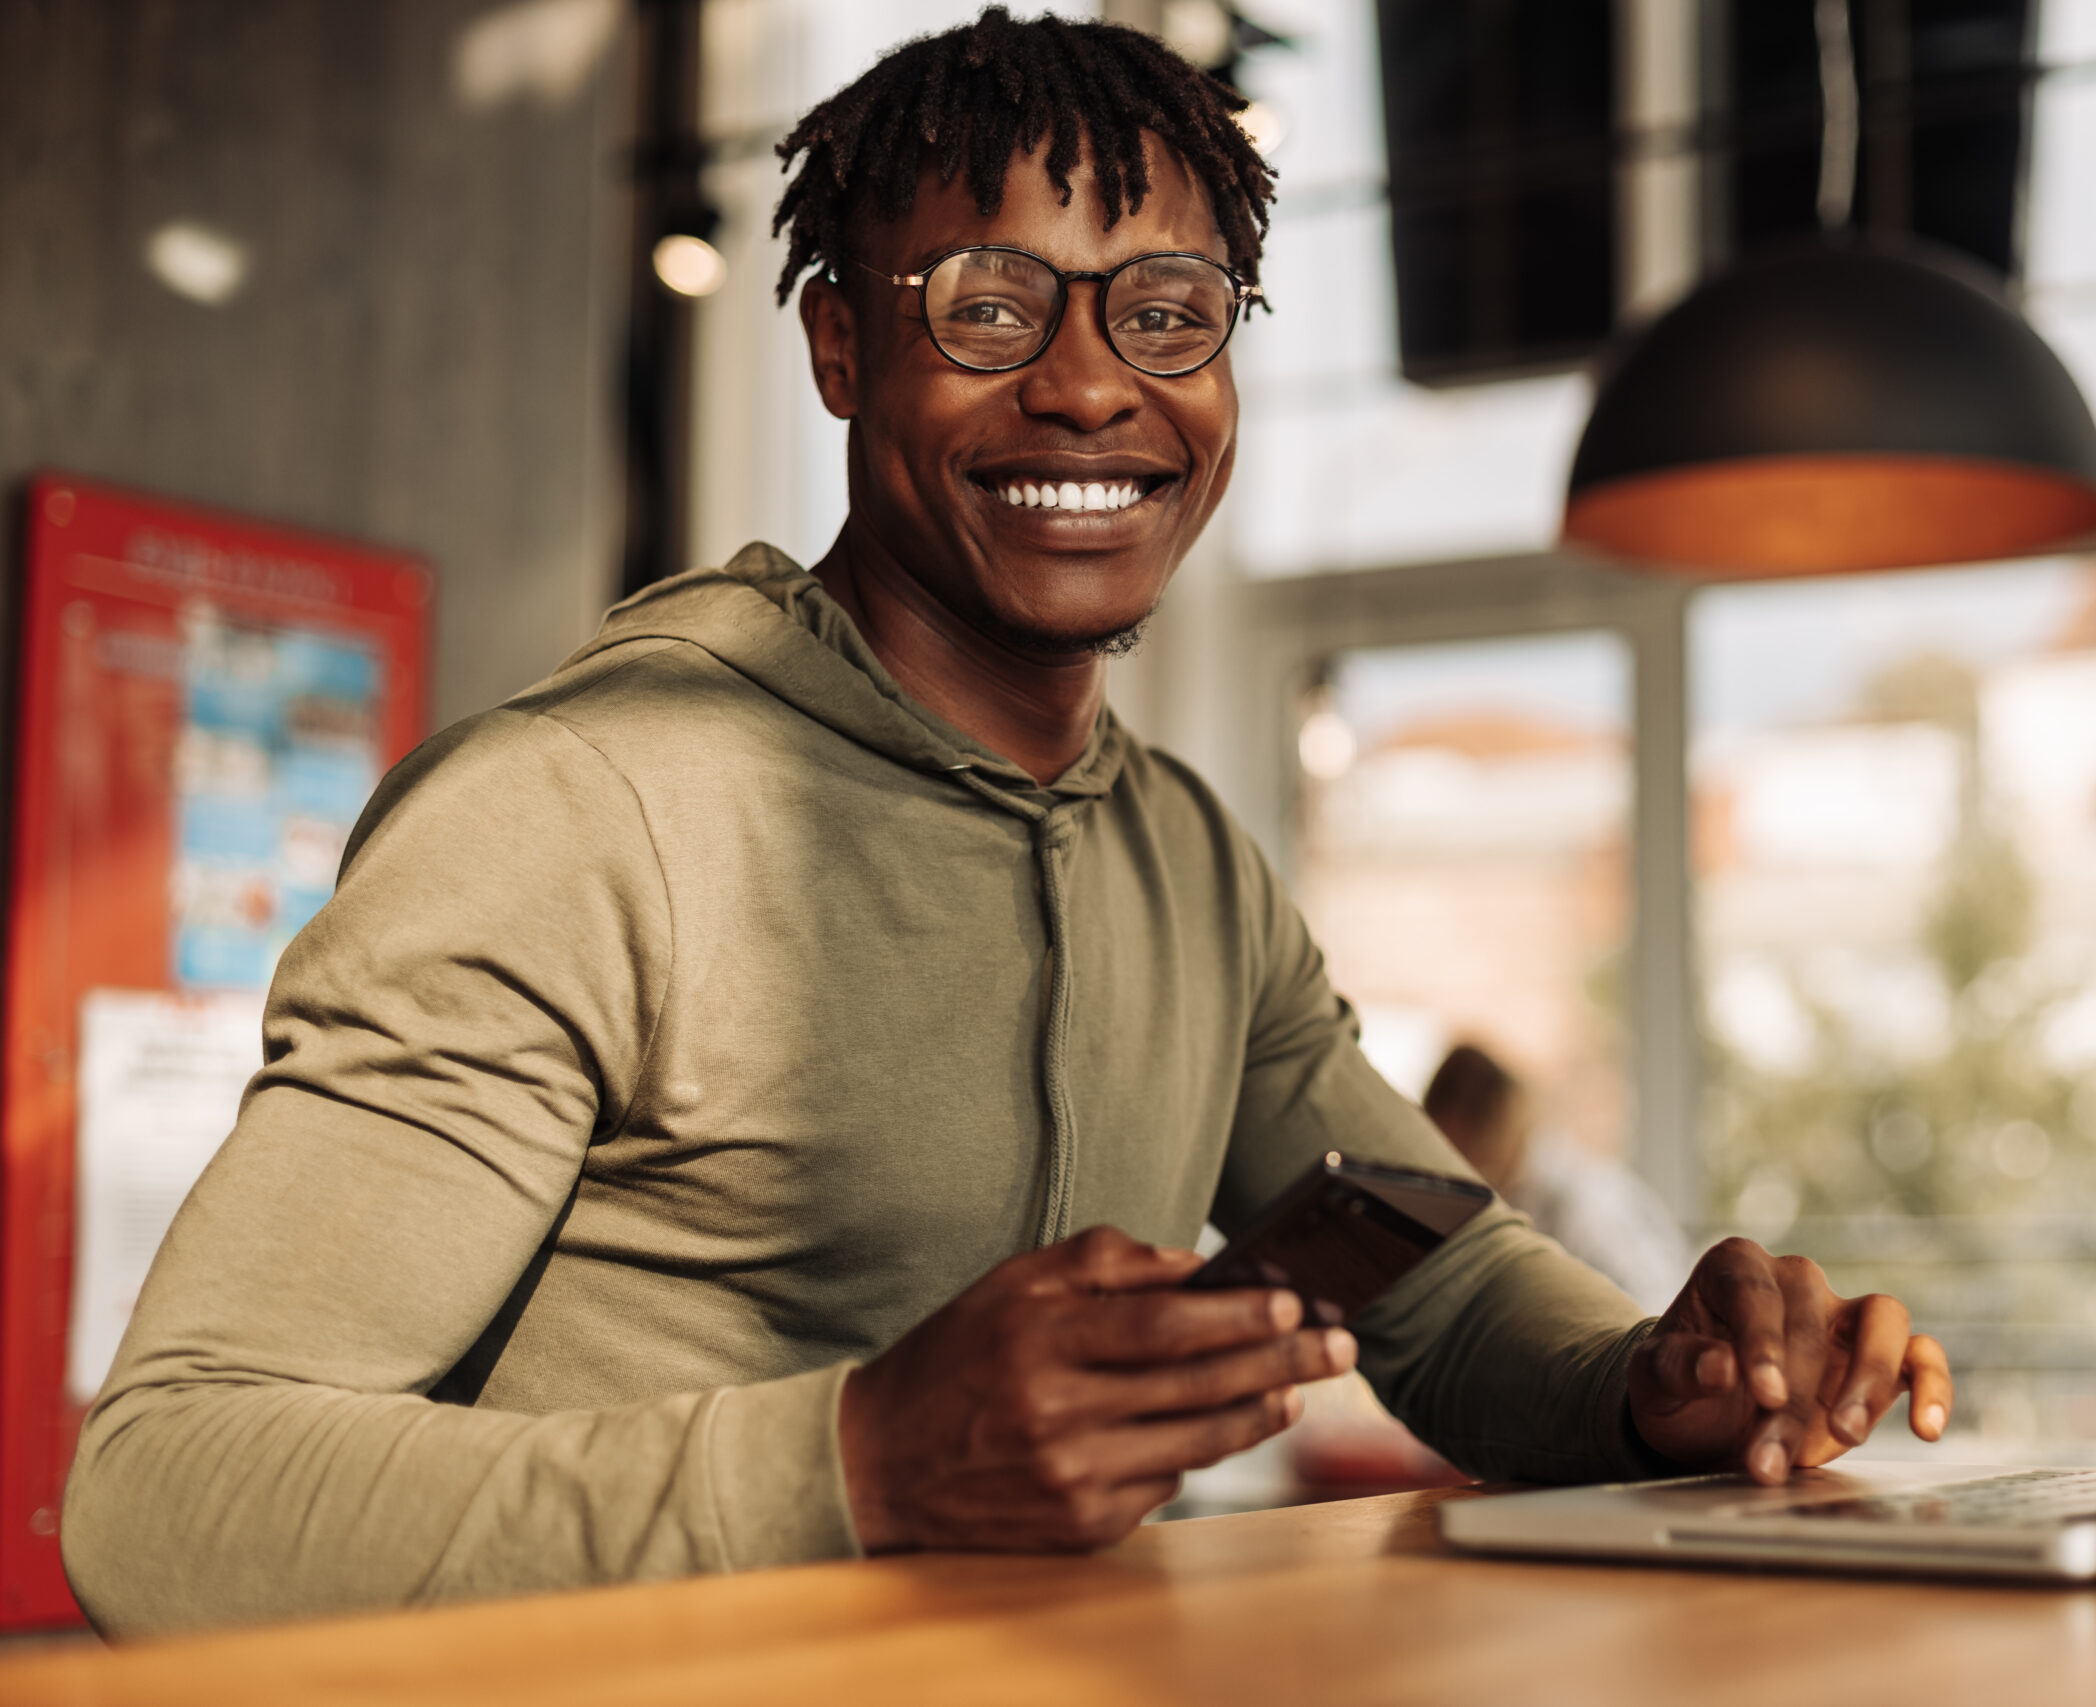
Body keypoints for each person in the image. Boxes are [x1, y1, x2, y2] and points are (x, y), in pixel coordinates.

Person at [61, 8, 1949, 1636]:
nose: (1088, 381)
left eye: (1166, 310)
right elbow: (165, 1494)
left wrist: (1659, 1384)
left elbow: (1436, 1280)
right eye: (987, 304)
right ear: (833, 349)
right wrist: (857, 1456)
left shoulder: (1190, 862)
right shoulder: (581, 809)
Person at [1423, 1044, 1694, 1314]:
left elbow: (1655, 1310)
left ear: (1492, 1121)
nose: (1452, 1167)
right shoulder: (1514, 1196)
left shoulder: (1579, 1204)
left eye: (1455, 1147)